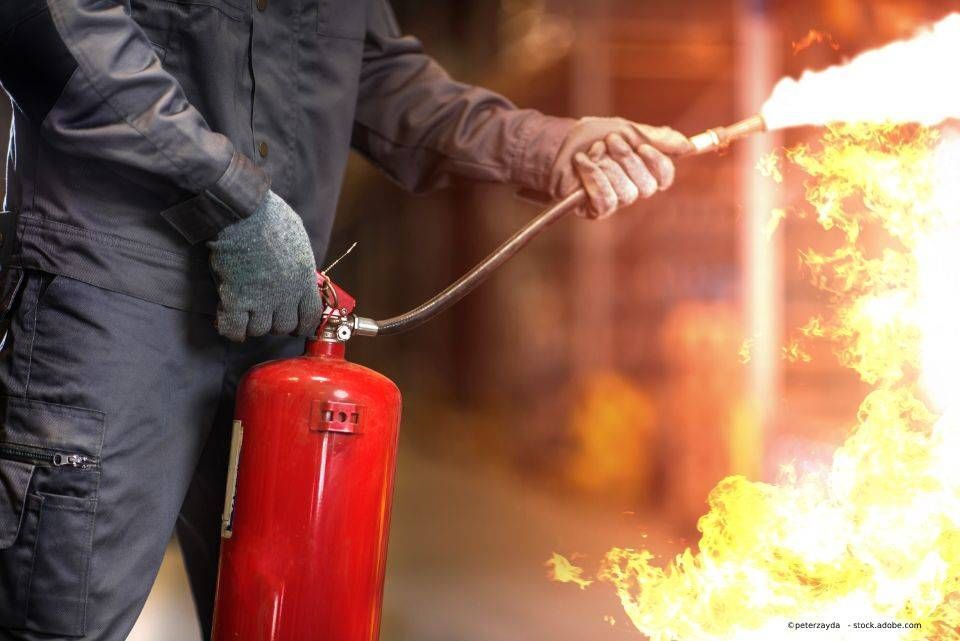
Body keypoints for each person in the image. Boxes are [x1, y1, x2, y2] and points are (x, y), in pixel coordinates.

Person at [0, 1, 692, 639]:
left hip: (277, 315)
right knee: (56, 623)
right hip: (113, 296)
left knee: (298, 618)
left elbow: (374, 73)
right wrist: (226, 198)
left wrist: (547, 146)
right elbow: (50, 19)